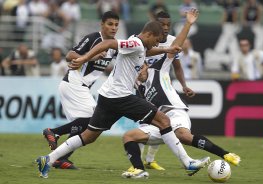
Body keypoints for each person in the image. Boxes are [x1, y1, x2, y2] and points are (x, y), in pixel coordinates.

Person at [35, 10, 193, 179]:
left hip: (108, 96)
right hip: (119, 96)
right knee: (163, 120)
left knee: (88, 136)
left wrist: (168, 48)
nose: (155, 44)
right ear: (148, 34)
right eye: (155, 40)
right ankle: (187, 162)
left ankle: (48, 159)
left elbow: (145, 51)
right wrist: (84, 58)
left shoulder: (137, 44)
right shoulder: (134, 44)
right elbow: (108, 44)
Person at [122, 60, 241, 177]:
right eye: (136, 71)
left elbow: (174, 48)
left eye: (141, 68)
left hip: (175, 112)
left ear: (147, 65)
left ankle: (225, 154)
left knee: (183, 135)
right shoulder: (138, 87)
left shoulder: (159, 70)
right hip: (159, 123)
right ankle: (138, 169)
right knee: (129, 136)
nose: (139, 72)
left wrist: (184, 85)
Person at [42, 11, 119, 169]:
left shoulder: (114, 46)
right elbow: (69, 55)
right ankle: (54, 132)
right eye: (110, 24)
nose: (114, 28)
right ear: (102, 24)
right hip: (74, 84)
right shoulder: (94, 38)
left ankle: (61, 158)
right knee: (93, 122)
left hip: (80, 87)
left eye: (116, 25)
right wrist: (92, 56)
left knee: (85, 127)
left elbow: (109, 65)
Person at [137, 11, 197, 171]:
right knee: (145, 122)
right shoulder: (143, 39)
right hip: (142, 85)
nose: (165, 28)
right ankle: (137, 162)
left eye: (168, 25)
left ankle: (150, 160)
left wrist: (184, 85)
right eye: (162, 24)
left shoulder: (172, 41)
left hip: (161, 85)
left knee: (162, 121)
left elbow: (177, 66)